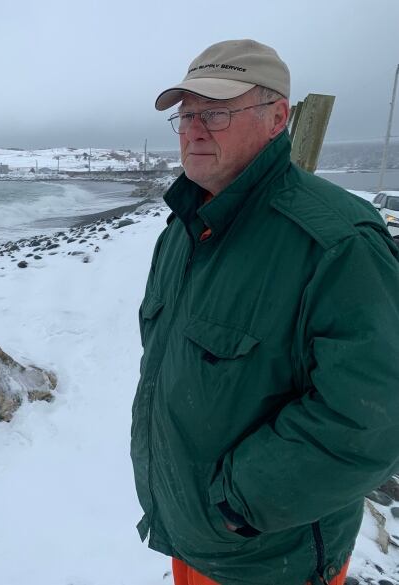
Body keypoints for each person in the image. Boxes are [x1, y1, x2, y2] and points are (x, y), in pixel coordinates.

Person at [130, 39, 399, 585]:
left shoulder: (336, 243)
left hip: (271, 556)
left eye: (216, 112)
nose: (195, 129)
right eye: (186, 115)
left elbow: (374, 417)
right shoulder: (184, 230)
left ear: (277, 118)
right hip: (190, 532)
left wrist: (239, 506)